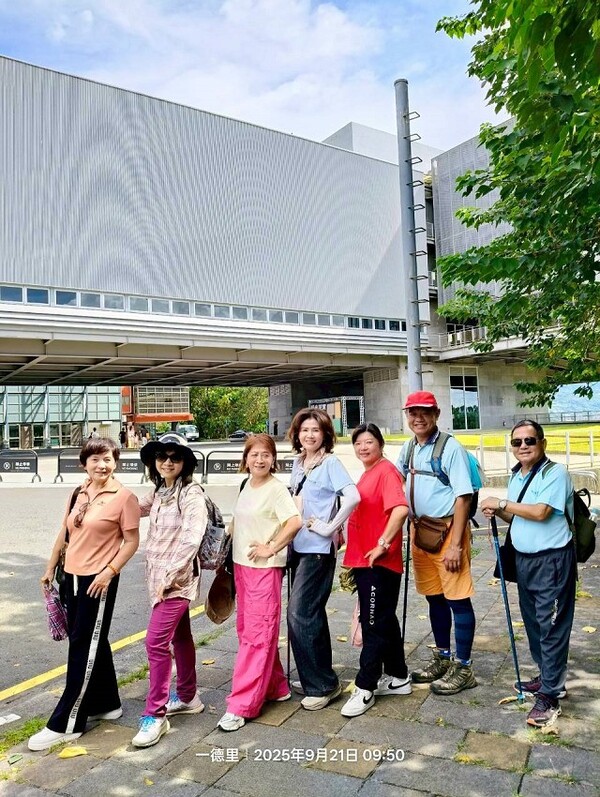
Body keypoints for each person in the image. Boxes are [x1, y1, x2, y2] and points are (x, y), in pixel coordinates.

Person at [29, 438, 140, 751]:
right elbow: (65, 533)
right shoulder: (78, 492)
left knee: (82, 645)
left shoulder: (124, 497)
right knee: (92, 640)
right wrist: (50, 567)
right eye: (95, 459)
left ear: (115, 462)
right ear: (84, 464)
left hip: (98, 580)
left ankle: (67, 723)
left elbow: (132, 541)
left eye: (107, 459)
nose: (101, 465)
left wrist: (109, 572)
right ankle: (107, 704)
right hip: (72, 577)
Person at [481, 420, 576, 728]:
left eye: (529, 440)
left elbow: (540, 512)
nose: (523, 446)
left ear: (542, 443)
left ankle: (549, 696)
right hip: (524, 561)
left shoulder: (555, 473)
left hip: (552, 562)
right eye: (517, 441)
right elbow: (519, 516)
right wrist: (499, 511)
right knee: (534, 622)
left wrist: (502, 502)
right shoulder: (517, 475)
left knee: (551, 626)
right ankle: (548, 676)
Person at [218, 434, 302, 732]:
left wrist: (272, 547)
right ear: (246, 458)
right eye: (254, 454)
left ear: (273, 459)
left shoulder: (276, 489)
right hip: (242, 567)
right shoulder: (246, 485)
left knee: (257, 634)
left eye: (266, 454)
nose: (260, 459)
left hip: (264, 570)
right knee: (249, 631)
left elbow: (294, 522)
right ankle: (276, 686)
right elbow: (238, 523)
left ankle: (242, 704)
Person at [396, 391, 477, 695]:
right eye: (412, 412)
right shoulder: (409, 448)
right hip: (420, 532)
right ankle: (443, 657)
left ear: (437, 414)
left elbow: (463, 497)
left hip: (447, 532)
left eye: (425, 412)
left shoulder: (450, 447)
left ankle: (464, 667)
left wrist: (456, 545)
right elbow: (397, 480)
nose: (418, 418)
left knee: (458, 598)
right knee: (434, 597)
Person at [131, 433, 208, 747]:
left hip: (176, 582)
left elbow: (191, 538)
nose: (167, 462)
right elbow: (133, 509)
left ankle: (156, 714)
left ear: (185, 463)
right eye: (161, 457)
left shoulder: (191, 494)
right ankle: (188, 696)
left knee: (155, 643)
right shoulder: (159, 491)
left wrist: (171, 574)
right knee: (180, 636)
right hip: (158, 579)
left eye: (175, 458)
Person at [286, 408, 360, 710]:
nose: (309, 435)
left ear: (325, 434)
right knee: (309, 614)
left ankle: (323, 685)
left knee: (300, 613)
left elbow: (353, 497)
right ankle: (314, 678)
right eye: (304, 430)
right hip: (297, 547)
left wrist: (330, 527)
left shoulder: (330, 463)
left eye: (315, 430)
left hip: (318, 549)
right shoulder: (298, 463)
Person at [341, 423, 410, 717]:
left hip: (378, 562)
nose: (363, 447)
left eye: (369, 442)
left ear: (380, 444)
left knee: (372, 624)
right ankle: (398, 676)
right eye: (358, 443)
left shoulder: (385, 471)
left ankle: (365, 687)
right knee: (384, 620)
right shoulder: (369, 473)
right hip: (365, 560)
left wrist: (383, 543)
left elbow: (401, 509)